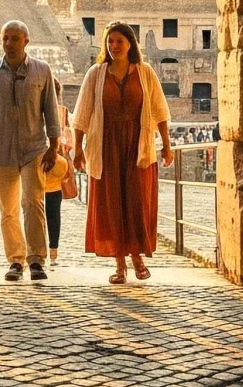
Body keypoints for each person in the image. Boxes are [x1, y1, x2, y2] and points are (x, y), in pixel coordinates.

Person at [71, 21, 174, 284]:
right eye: (110, 41)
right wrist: (78, 149)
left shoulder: (145, 72)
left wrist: (166, 144)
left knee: (137, 202)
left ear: (130, 44)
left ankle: (137, 257)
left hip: (137, 146)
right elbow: (82, 114)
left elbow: (159, 110)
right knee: (112, 204)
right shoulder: (96, 74)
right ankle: (120, 264)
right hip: (106, 147)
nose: (114, 46)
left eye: (119, 41)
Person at [0, 20, 61, 282]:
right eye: (5, 38)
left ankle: (36, 259)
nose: (9, 43)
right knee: (8, 209)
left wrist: (54, 146)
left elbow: (51, 110)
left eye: (14, 39)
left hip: (34, 147)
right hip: (2, 149)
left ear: (26, 41)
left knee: (33, 203)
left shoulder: (42, 70)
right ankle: (15, 259)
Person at [42, 76, 76, 268]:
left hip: (52, 166)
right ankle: (48, 251)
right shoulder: (59, 113)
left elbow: (69, 140)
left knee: (46, 211)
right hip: (52, 166)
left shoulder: (61, 113)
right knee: (50, 212)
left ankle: (48, 250)